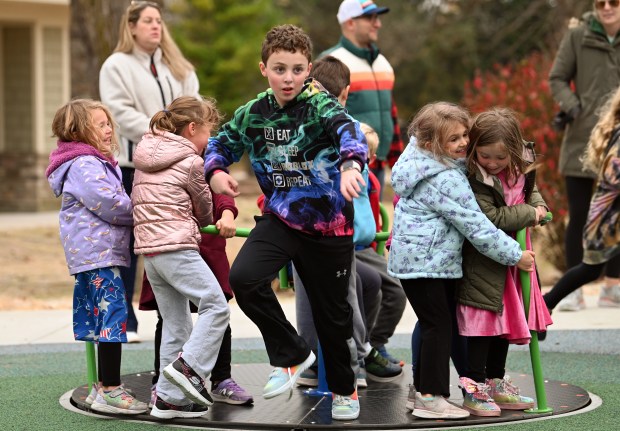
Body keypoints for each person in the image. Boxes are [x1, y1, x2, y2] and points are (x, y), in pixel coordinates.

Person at [203, 24, 368, 421]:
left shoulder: (321, 105)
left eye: (297, 69)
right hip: (281, 219)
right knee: (243, 278)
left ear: (309, 68)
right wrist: (215, 171)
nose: (288, 78)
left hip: (329, 227)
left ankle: (346, 390)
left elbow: (350, 134)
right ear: (264, 68)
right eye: (279, 69)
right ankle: (291, 354)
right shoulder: (253, 112)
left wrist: (349, 166)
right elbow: (219, 144)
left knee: (334, 319)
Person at [387, 102, 536, 420]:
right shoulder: (446, 180)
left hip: (422, 259)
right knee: (438, 327)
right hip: (428, 263)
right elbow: (478, 227)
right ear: (431, 143)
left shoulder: (418, 159)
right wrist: (515, 255)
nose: (464, 142)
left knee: (434, 325)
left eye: (464, 134)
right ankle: (431, 396)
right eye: (454, 138)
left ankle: (427, 392)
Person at [293, 56, 401, 388]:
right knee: (341, 293)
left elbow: (360, 179)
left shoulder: (347, 131)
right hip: (316, 233)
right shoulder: (301, 129)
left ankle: (366, 348)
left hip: (350, 236)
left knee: (376, 286)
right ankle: (341, 359)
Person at [99, 1, 201, 341]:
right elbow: (120, 113)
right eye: (147, 21)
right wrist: (162, 135)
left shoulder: (179, 67)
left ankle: (174, 314)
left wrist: (179, 142)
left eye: (159, 20)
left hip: (177, 167)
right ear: (131, 27)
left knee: (174, 237)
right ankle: (125, 319)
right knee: (129, 243)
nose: (155, 26)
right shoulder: (117, 66)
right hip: (135, 166)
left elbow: (194, 107)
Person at [46, 99, 148, 415]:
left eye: (108, 124)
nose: (108, 130)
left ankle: (100, 387)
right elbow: (109, 202)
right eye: (99, 125)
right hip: (98, 253)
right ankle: (111, 389)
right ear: (78, 131)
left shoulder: (91, 162)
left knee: (102, 318)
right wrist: (142, 211)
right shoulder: (84, 165)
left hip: (95, 253)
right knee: (112, 318)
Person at [131, 96, 230, 419]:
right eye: (207, 133)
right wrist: (210, 221)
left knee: (176, 323)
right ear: (191, 129)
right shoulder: (191, 161)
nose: (208, 141)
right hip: (176, 246)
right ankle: (189, 370)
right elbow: (204, 206)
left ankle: (168, 399)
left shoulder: (144, 155)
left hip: (151, 253)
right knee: (215, 305)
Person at [455, 108, 553, 416]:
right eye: (485, 156)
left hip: (516, 258)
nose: (493, 164)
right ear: (474, 151)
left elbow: (530, 192)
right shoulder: (475, 177)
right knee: (484, 323)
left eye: (500, 158)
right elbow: (492, 217)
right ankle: (474, 388)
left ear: (513, 150)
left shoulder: (519, 165)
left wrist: (539, 206)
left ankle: (496, 380)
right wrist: (530, 213)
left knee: (507, 321)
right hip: (486, 259)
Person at [138, 191, 253, 407]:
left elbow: (219, 186)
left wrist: (227, 213)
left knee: (215, 314)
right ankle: (166, 385)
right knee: (173, 318)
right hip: (170, 242)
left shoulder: (204, 161)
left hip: (203, 244)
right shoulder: (164, 163)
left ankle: (219, 379)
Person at [549, 0, 620, 311]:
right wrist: (574, 107)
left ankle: (612, 286)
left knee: (617, 213)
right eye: (600, 2)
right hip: (583, 139)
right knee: (578, 214)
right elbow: (557, 78)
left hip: (618, 141)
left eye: (613, 2)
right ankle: (573, 290)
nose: (606, 7)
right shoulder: (578, 35)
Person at [543, 86, 620, 317]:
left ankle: (546, 303)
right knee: (589, 270)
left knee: (589, 270)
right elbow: (614, 175)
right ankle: (546, 303)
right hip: (606, 220)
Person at [321, 0, 404, 199]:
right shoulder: (331, 62)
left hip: (378, 165)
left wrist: (398, 165)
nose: (378, 24)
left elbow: (390, 114)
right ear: (350, 23)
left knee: (371, 225)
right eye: (370, 18)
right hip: (346, 168)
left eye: (377, 18)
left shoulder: (383, 63)